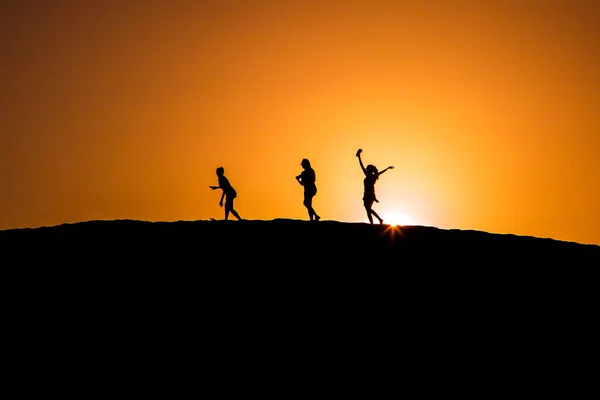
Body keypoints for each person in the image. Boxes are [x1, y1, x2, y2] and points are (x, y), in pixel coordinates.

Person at [356, 149, 394, 224]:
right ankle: (372, 223)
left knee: (368, 209)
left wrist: (359, 157)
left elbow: (362, 165)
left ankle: (379, 219)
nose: (366, 169)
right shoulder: (372, 176)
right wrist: (359, 157)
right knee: (368, 209)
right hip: (368, 194)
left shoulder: (370, 176)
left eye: (367, 168)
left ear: (369, 170)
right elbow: (362, 165)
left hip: (369, 194)